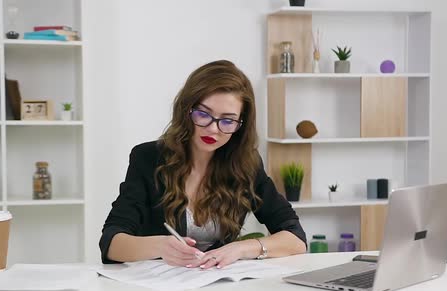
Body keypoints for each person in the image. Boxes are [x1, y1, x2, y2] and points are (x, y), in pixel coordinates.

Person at [100, 60, 307, 268]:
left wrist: (241, 248)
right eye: (203, 114)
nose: (213, 129)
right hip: (159, 290)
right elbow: (111, 243)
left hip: (217, 287)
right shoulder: (148, 158)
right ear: (186, 110)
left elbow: (295, 239)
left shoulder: (246, 165)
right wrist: (161, 246)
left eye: (227, 120)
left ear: (240, 126)